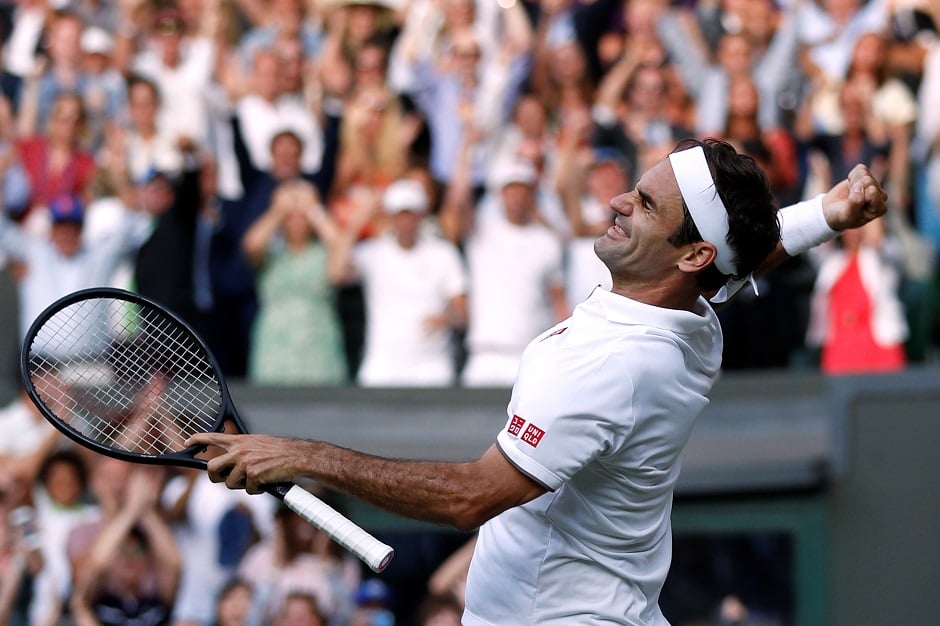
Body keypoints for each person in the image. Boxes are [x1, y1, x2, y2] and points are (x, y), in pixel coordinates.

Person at [187, 139, 887, 624]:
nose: (615, 201)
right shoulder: (687, 310)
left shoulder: (608, 366)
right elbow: (735, 264)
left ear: (693, 251)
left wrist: (300, 456)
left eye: (644, 205)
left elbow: (470, 499)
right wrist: (826, 215)